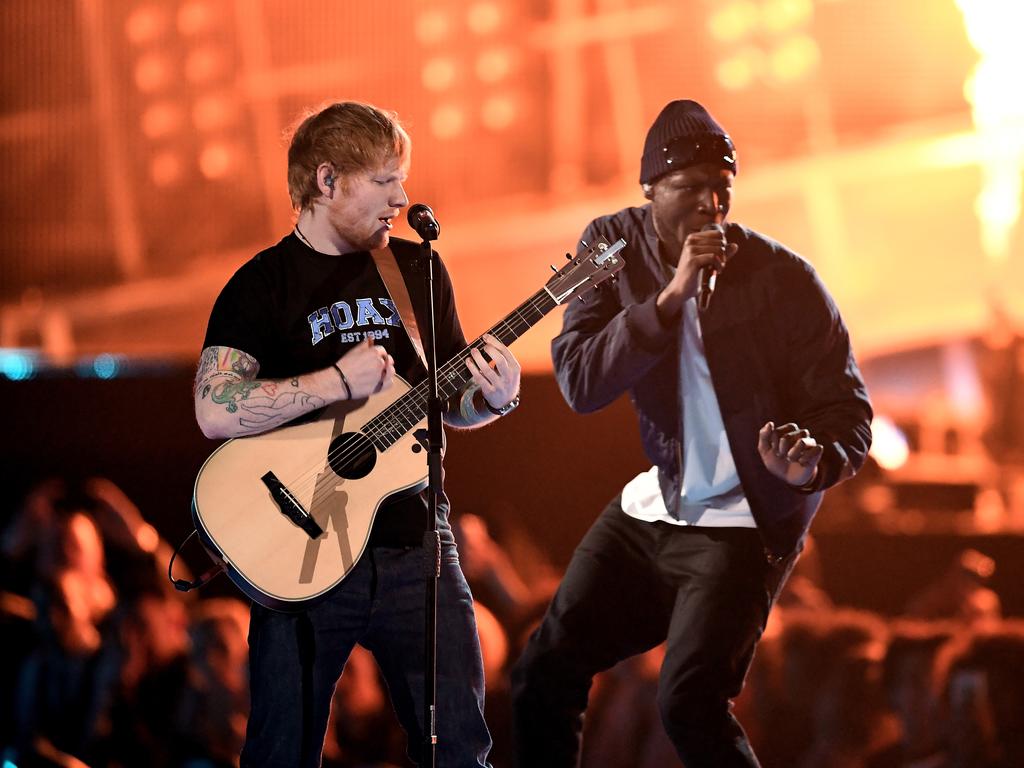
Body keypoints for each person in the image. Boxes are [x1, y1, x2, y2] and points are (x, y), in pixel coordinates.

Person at [510, 99, 873, 767]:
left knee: (687, 702)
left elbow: (848, 408)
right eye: (689, 189)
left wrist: (810, 464)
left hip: (745, 520)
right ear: (650, 190)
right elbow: (581, 383)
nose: (710, 204)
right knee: (541, 671)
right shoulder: (608, 246)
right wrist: (668, 301)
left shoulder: (784, 279)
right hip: (663, 499)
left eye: (722, 189)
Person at [193, 101, 521, 768]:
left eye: (403, 181)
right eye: (384, 181)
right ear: (327, 180)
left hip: (417, 549)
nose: (402, 198)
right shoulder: (262, 285)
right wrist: (333, 383)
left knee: (460, 753)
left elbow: (446, 399)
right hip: (301, 558)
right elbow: (214, 409)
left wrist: (495, 399)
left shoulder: (418, 272)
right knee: (281, 753)